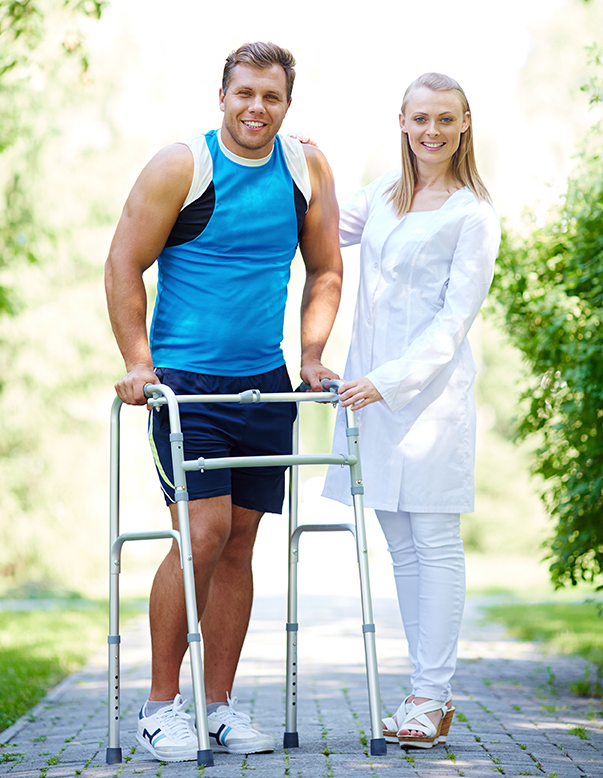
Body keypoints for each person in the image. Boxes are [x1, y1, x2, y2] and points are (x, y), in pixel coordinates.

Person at [104, 42, 342, 763]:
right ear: (222, 96)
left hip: (265, 385)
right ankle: (159, 707)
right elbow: (123, 262)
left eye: (271, 96)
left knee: (239, 543)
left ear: (287, 104)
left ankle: (218, 707)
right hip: (186, 389)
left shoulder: (306, 168)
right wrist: (138, 363)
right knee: (200, 534)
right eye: (245, 93)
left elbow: (326, 268)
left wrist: (310, 357)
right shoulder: (183, 165)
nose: (256, 108)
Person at [322, 72, 501, 750]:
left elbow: (454, 322)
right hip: (370, 400)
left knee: (435, 542)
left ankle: (432, 693)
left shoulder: (473, 215)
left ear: (463, 124)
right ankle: (424, 691)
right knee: (400, 548)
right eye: (421, 118)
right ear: (401, 121)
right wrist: (297, 160)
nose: (432, 130)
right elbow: (316, 223)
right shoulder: (382, 198)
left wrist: (386, 380)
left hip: (428, 402)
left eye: (445, 119)